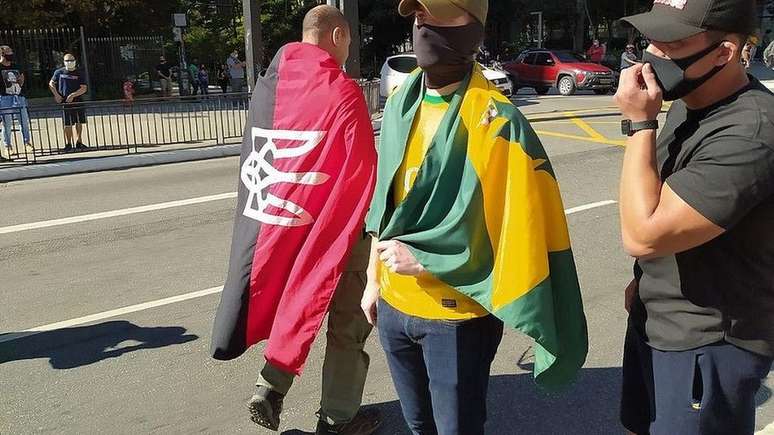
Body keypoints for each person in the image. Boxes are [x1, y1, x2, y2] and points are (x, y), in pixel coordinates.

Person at [362, 1, 588, 434]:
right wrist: (373, 281)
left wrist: (430, 259)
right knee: (416, 424)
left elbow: (517, 232)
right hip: (393, 306)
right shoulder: (400, 103)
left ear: (473, 30)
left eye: (438, 14)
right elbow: (385, 204)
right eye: (419, 15)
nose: (423, 23)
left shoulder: (499, 123)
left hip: (455, 319)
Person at [210, 5, 380, 435]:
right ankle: (339, 418)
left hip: (285, 219)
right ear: (338, 36)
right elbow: (362, 170)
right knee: (348, 321)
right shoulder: (342, 91)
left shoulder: (269, 84)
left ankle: (270, 387)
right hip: (334, 225)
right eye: (349, 42)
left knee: (298, 299)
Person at [616, 0, 774, 433]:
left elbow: (644, 234)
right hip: (659, 317)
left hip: (708, 339)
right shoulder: (689, 100)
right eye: (652, 37)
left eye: (672, 42)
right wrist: (646, 280)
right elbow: (670, 204)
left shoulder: (751, 131)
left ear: (724, 52)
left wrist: (639, 126)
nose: (653, 53)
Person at [49, 53, 89, 153]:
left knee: (79, 122)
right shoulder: (59, 72)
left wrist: (73, 95)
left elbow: (84, 88)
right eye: (67, 60)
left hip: (78, 100)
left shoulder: (79, 73)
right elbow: (51, 83)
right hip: (65, 102)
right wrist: (56, 95)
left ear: (75, 61)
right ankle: (68, 143)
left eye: (71, 60)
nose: (69, 62)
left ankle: (79, 141)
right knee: (67, 123)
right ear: (64, 62)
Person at [0, 45, 33, 159]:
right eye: (9, 52)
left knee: (24, 121)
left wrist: (20, 83)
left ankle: (27, 143)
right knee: (7, 124)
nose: (11, 54)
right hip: (4, 97)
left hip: (18, 96)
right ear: (2, 53)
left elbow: (22, 77)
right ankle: (8, 146)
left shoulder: (16, 66)